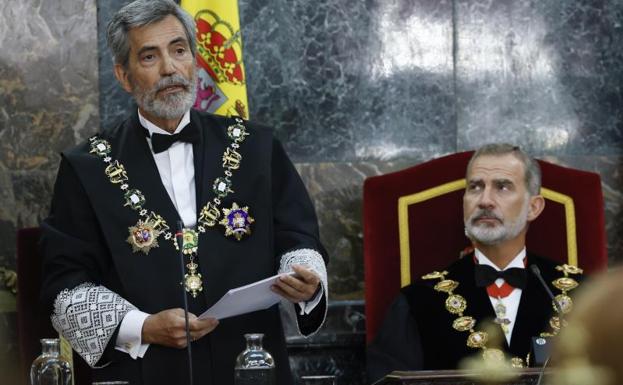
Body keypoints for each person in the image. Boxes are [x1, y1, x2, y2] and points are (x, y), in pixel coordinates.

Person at [39, 1, 328, 384]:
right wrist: (142, 326)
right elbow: (64, 284)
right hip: (146, 369)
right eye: (149, 56)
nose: (169, 68)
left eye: (179, 51)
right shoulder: (86, 167)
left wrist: (307, 280)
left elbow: (299, 237)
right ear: (124, 76)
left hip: (251, 363)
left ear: (194, 59)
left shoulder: (256, 147)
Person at [367, 143, 583, 382]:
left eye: (502, 187)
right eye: (475, 187)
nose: (485, 200)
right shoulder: (419, 301)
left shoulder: (581, 293)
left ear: (533, 207)